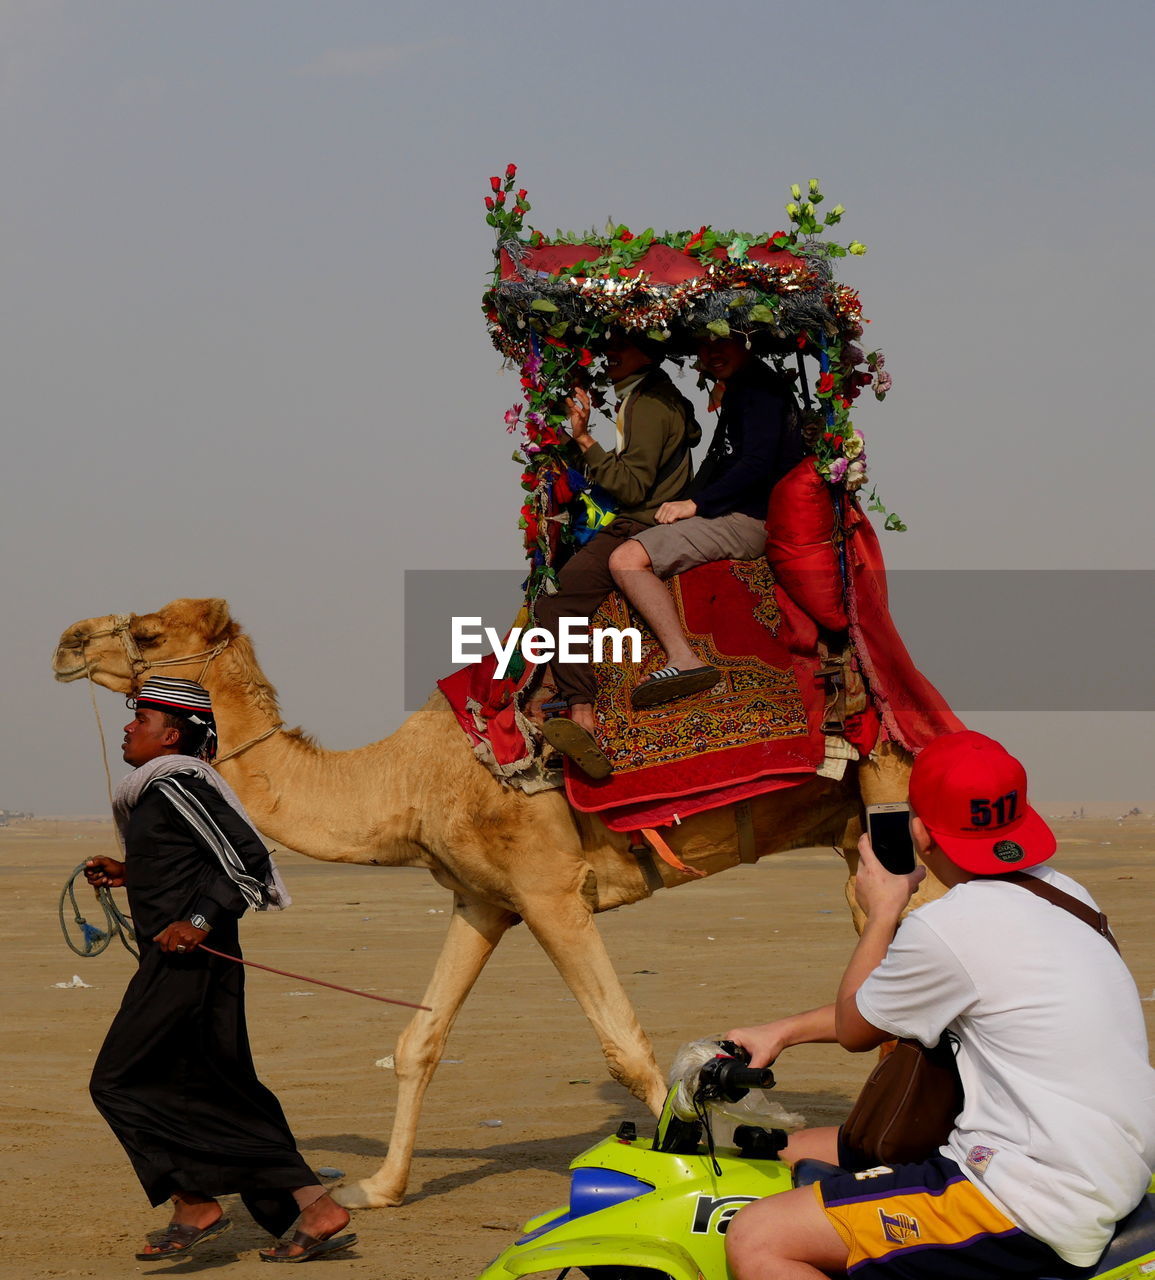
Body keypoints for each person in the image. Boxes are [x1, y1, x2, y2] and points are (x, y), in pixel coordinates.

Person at [720, 730, 1155, 1280]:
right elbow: (891, 1008)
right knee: (797, 1147)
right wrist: (781, 1031)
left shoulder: (949, 926)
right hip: (1104, 1161)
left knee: (760, 1238)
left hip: (1033, 1193)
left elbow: (859, 1028)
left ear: (921, 834)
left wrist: (883, 909)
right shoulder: (1064, 892)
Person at [84, 676, 357, 1264]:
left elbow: (247, 858)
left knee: (117, 1082)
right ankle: (313, 1206)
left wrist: (199, 921)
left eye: (143, 719)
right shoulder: (160, 791)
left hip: (189, 963)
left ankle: (193, 1201)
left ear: (172, 735)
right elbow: (192, 857)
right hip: (188, 963)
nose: (129, 727)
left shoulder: (177, 780)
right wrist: (130, 872)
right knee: (222, 1088)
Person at [534, 333, 699, 776]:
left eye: (622, 345)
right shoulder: (654, 397)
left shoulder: (648, 404)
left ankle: (582, 712)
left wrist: (585, 439)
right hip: (640, 515)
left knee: (556, 600)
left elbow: (630, 487)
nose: (611, 353)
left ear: (647, 353)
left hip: (638, 521)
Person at [609, 335, 804, 708]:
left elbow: (755, 465)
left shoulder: (759, 393)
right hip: (736, 510)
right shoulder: (745, 388)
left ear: (749, 341)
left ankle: (683, 659)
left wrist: (696, 503)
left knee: (625, 559)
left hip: (747, 518)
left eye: (722, 344)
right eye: (702, 346)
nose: (710, 355)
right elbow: (721, 461)